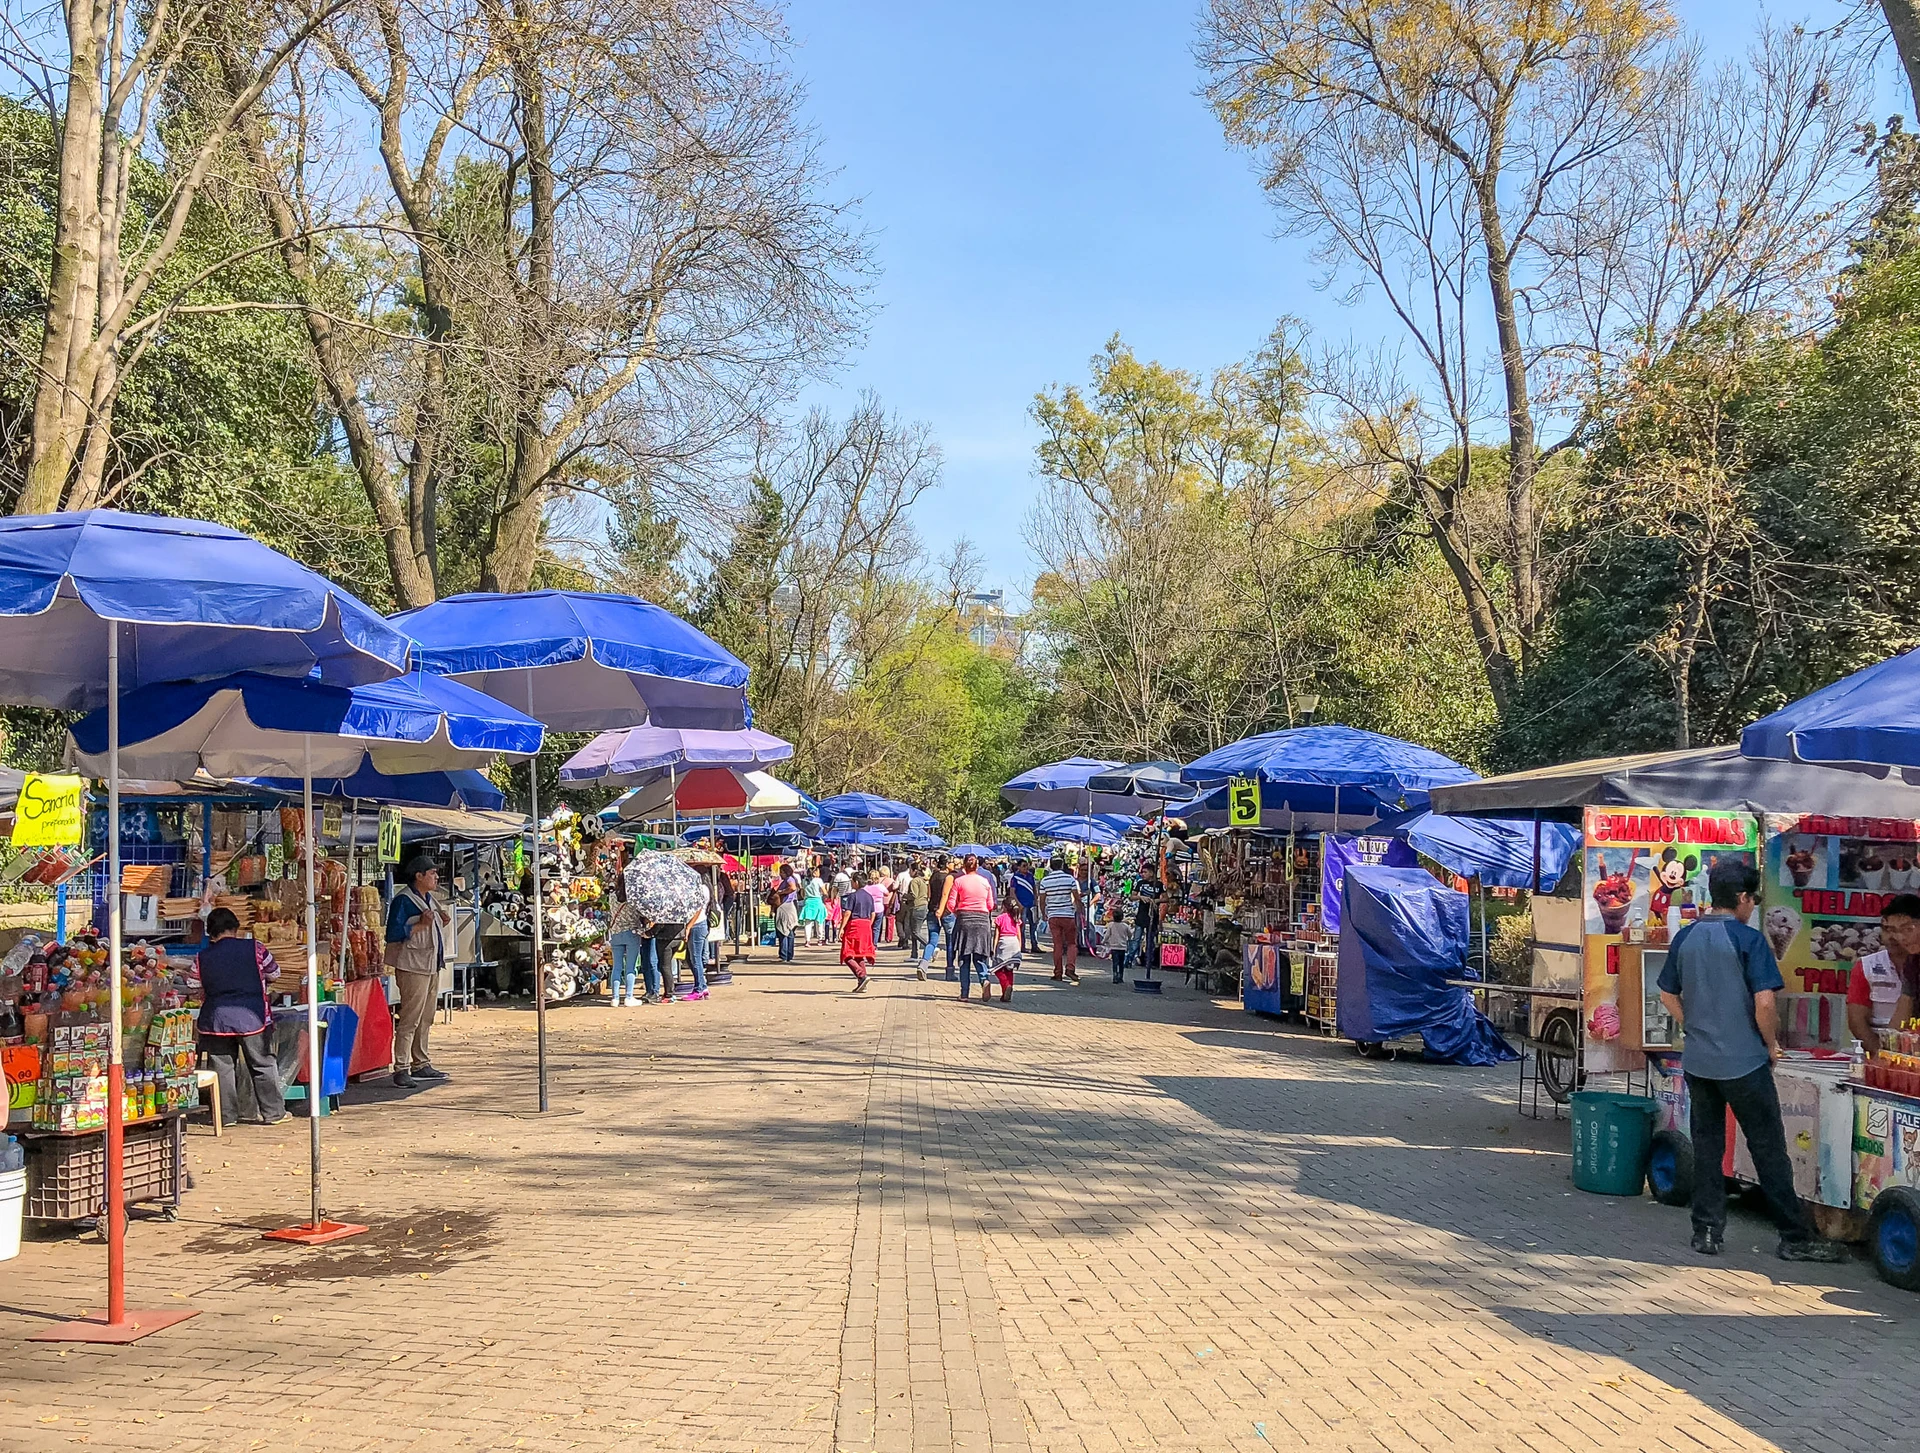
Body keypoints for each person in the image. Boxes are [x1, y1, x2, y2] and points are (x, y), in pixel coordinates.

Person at [1657, 857, 1847, 1262]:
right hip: (1744, 1062)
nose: (1753, 906)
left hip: (1699, 1063)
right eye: (1753, 899)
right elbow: (1764, 1004)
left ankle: (1706, 1232)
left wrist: (1693, 1024)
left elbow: (1667, 994)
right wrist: (1772, 1044)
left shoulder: (1686, 937)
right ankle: (1794, 1237)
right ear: (1742, 898)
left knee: (1707, 1147)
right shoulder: (1750, 940)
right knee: (1768, 1149)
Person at [196, 907, 288, 1123]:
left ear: (211, 932)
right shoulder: (256, 948)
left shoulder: (202, 957)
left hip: (216, 1020)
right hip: (251, 1017)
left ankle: (225, 1116)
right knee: (262, 1064)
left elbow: (192, 983)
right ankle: (273, 1113)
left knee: (221, 1069)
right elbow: (275, 972)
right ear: (235, 928)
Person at [386, 856, 453, 1086]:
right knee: (410, 1018)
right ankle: (401, 1067)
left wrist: (440, 921)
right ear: (419, 876)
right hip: (412, 965)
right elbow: (393, 934)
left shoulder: (429, 899)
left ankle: (421, 1062)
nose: (436, 877)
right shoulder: (403, 900)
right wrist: (421, 925)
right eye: (432, 873)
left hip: (430, 964)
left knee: (426, 1017)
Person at [1847, 894, 1920, 1055]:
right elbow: (1898, 1025)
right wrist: (1886, 1056)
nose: (1899, 937)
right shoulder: (1912, 965)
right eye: (1891, 930)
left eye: (1907, 929)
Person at [947, 852, 998, 1001]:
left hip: (964, 919)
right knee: (980, 956)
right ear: (977, 866)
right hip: (982, 920)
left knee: (964, 958)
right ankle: (984, 979)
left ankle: (964, 993)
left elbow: (951, 903)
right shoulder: (985, 882)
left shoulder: (959, 881)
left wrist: (957, 912)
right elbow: (990, 905)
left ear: (964, 866)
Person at [1039, 855, 1084, 983]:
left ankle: (1057, 972)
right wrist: (1080, 909)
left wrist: (1044, 913)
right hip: (1068, 915)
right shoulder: (1070, 879)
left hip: (1053, 916)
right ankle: (1070, 967)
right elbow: (1076, 896)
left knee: (1057, 945)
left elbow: (1042, 900)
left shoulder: (1045, 881)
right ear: (1062, 865)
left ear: (1051, 866)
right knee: (1071, 943)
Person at [607, 853, 643, 1007]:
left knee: (616, 967)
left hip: (616, 933)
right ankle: (629, 996)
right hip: (632, 933)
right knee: (630, 967)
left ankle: (615, 998)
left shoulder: (612, 896)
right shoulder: (634, 898)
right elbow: (639, 914)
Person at [840, 869, 880, 991]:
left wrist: (842, 928)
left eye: (852, 881)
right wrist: (868, 925)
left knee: (847, 953)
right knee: (859, 955)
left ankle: (861, 975)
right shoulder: (869, 896)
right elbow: (873, 914)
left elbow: (847, 913)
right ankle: (862, 983)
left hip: (854, 925)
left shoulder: (852, 896)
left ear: (856, 882)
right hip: (866, 925)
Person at [921, 856, 954, 981]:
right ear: (947, 864)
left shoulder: (933, 876)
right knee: (950, 942)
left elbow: (929, 894)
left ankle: (923, 964)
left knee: (932, 940)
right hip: (946, 912)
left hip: (931, 909)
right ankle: (950, 971)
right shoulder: (948, 877)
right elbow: (946, 894)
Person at [990, 895, 1022, 1002]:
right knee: (1009, 970)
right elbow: (1019, 934)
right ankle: (1007, 992)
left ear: (1004, 906)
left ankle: (1006, 985)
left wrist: (994, 949)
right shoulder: (1016, 918)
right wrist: (1019, 948)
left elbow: (996, 935)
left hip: (1004, 943)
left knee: (998, 969)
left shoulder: (1000, 918)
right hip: (1014, 943)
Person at [899, 864, 926, 961]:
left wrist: (905, 896)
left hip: (916, 907)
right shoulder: (923, 880)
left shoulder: (914, 881)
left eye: (910, 870)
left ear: (914, 871)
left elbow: (914, 895)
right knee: (914, 930)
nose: (909, 872)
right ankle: (914, 954)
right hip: (923, 906)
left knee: (915, 932)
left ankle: (930, 947)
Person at [1099, 904, 1132, 985]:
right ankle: (1120, 976)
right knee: (1121, 963)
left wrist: (1103, 941)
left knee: (1115, 963)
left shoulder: (1111, 925)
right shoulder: (1125, 926)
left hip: (1114, 947)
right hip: (1122, 947)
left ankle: (1115, 976)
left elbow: (1107, 935)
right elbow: (1130, 934)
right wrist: (1129, 939)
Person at [774, 863, 800, 962]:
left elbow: (792, 888)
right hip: (788, 906)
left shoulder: (789, 879)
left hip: (785, 906)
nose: (780, 874)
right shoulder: (790, 879)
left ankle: (784, 955)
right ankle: (788, 954)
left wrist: (781, 892)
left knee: (784, 931)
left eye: (781, 872)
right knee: (789, 931)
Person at [1012, 862, 1039, 952]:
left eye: (1027, 866)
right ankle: (1022, 946)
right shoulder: (1015, 878)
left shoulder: (1030, 876)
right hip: (1022, 905)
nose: (1026, 867)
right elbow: (1012, 892)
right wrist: (1018, 904)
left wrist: (1036, 899)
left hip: (1031, 905)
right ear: (1018, 867)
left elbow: (1034, 889)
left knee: (1034, 925)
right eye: (1023, 866)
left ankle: (1034, 945)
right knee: (1022, 926)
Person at [800, 868, 828, 945]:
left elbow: (802, 892)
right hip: (817, 901)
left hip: (808, 901)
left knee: (808, 923)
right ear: (815, 873)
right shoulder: (818, 880)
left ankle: (807, 940)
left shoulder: (804, 881)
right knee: (819, 921)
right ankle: (820, 939)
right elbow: (824, 892)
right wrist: (826, 895)